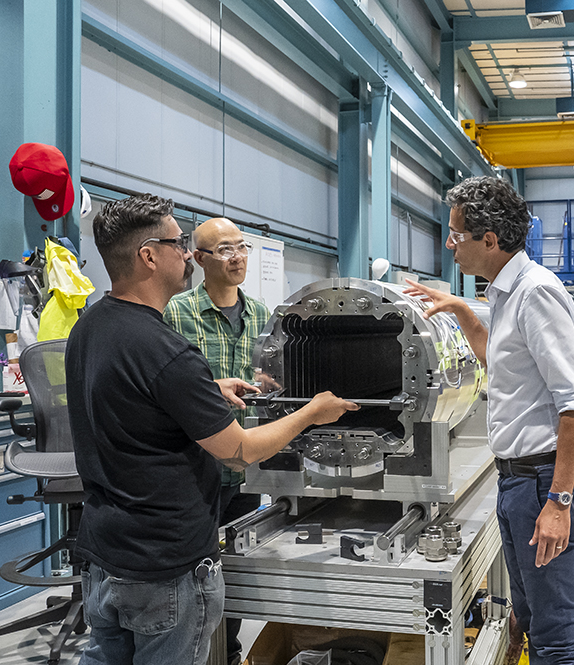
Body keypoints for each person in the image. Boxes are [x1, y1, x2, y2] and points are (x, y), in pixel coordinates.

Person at [66, 194, 358, 665]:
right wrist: (311, 413)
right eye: (178, 242)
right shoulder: (168, 350)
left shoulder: (91, 326)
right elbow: (238, 453)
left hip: (105, 556)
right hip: (165, 567)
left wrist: (205, 389)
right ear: (148, 256)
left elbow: (130, 401)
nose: (186, 253)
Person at [404, 176, 574, 665]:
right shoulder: (503, 292)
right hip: (519, 482)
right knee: (532, 618)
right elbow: (503, 362)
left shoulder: (535, 293)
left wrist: (558, 501)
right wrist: (461, 313)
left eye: (456, 235)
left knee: (559, 636)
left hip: (543, 482)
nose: (450, 245)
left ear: (489, 240)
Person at [163, 217, 271, 665]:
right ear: (199, 258)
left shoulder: (265, 315)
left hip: (247, 467)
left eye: (242, 247)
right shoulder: (176, 312)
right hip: (197, 466)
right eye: (225, 250)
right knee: (193, 578)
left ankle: (228, 652)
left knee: (238, 570)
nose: (238, 257)